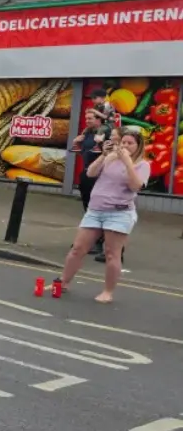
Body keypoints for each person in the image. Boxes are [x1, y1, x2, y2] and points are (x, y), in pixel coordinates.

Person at [59, 127, 149, 303]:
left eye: (130, 143)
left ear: (138, 146)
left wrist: (127, 162)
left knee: (111, 253)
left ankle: (108, 292)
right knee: (78, 248)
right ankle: (63, 282)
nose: (125, 146)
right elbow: (90, 173)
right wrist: (103, 155)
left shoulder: (142, 165)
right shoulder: (110, 158)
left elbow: (135, 186)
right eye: (123, 142)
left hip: (119, 213)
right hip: (95, 210)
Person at [71, 109, 109, 255]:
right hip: (87, 174)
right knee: (88, 209)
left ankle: (98, 243)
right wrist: (77, 143)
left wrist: (101, 143)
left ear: (99, 119)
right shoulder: (87, 133)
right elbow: (85, 153)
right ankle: (88, 240)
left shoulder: (106, 133)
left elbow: (109, 153)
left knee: (98, 209)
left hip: (100, 176)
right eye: (86, 118)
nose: (87, 121)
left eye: (90, 118)